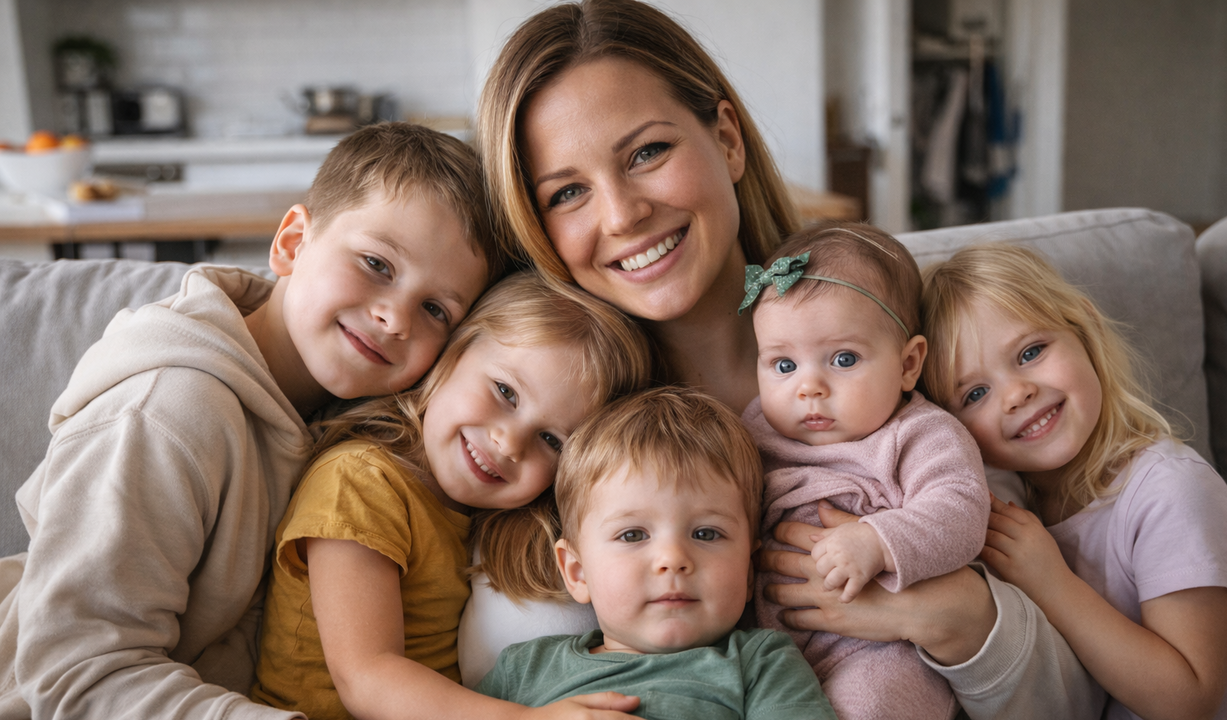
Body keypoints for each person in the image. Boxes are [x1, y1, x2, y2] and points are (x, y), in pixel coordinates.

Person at [475, 2, 1101, 718]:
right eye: (568, 192)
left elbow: (1078, 700)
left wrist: (953, 615)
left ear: (727, 139)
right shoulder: (541, 423)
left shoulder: (897, 342)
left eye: (647, 152)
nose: (620, 215)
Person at [0, 122, 502, 719]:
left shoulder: (358, 416)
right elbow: (77, 677)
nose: (396, 319)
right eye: (376, 263)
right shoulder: (166, 414)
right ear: (291, 243)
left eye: (435, 309)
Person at [251, 272, 654, 720]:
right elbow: (364, 677)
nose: (508, 443)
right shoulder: (359, 482)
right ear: (451, 355)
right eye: (505, 392)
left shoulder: (491, 516)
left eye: (551, 440)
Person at [919, 243, 1227, 720]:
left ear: (1084, 329)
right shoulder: (1016, 508)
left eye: (1030, 352)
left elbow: (1189, 703)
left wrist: (1052, 584)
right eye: (976, 393)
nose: (1017, 393)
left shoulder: (1170, 491)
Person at [740, 222, 988, 719]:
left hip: (882, 651)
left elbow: (961, 509)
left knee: (870, 706)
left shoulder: (916, 434)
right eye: (783, 365)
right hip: (772, 655)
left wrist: (876, 540)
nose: (809, 387)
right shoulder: (752, 432)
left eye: (843, 358)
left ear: (908, 364)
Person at [476, 387, 837, 720]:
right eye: (633, 534)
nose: (672, 558)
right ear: (577, 572)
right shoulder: (523, 669)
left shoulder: (761, 662)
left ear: (748, 572)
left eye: (706, 533)